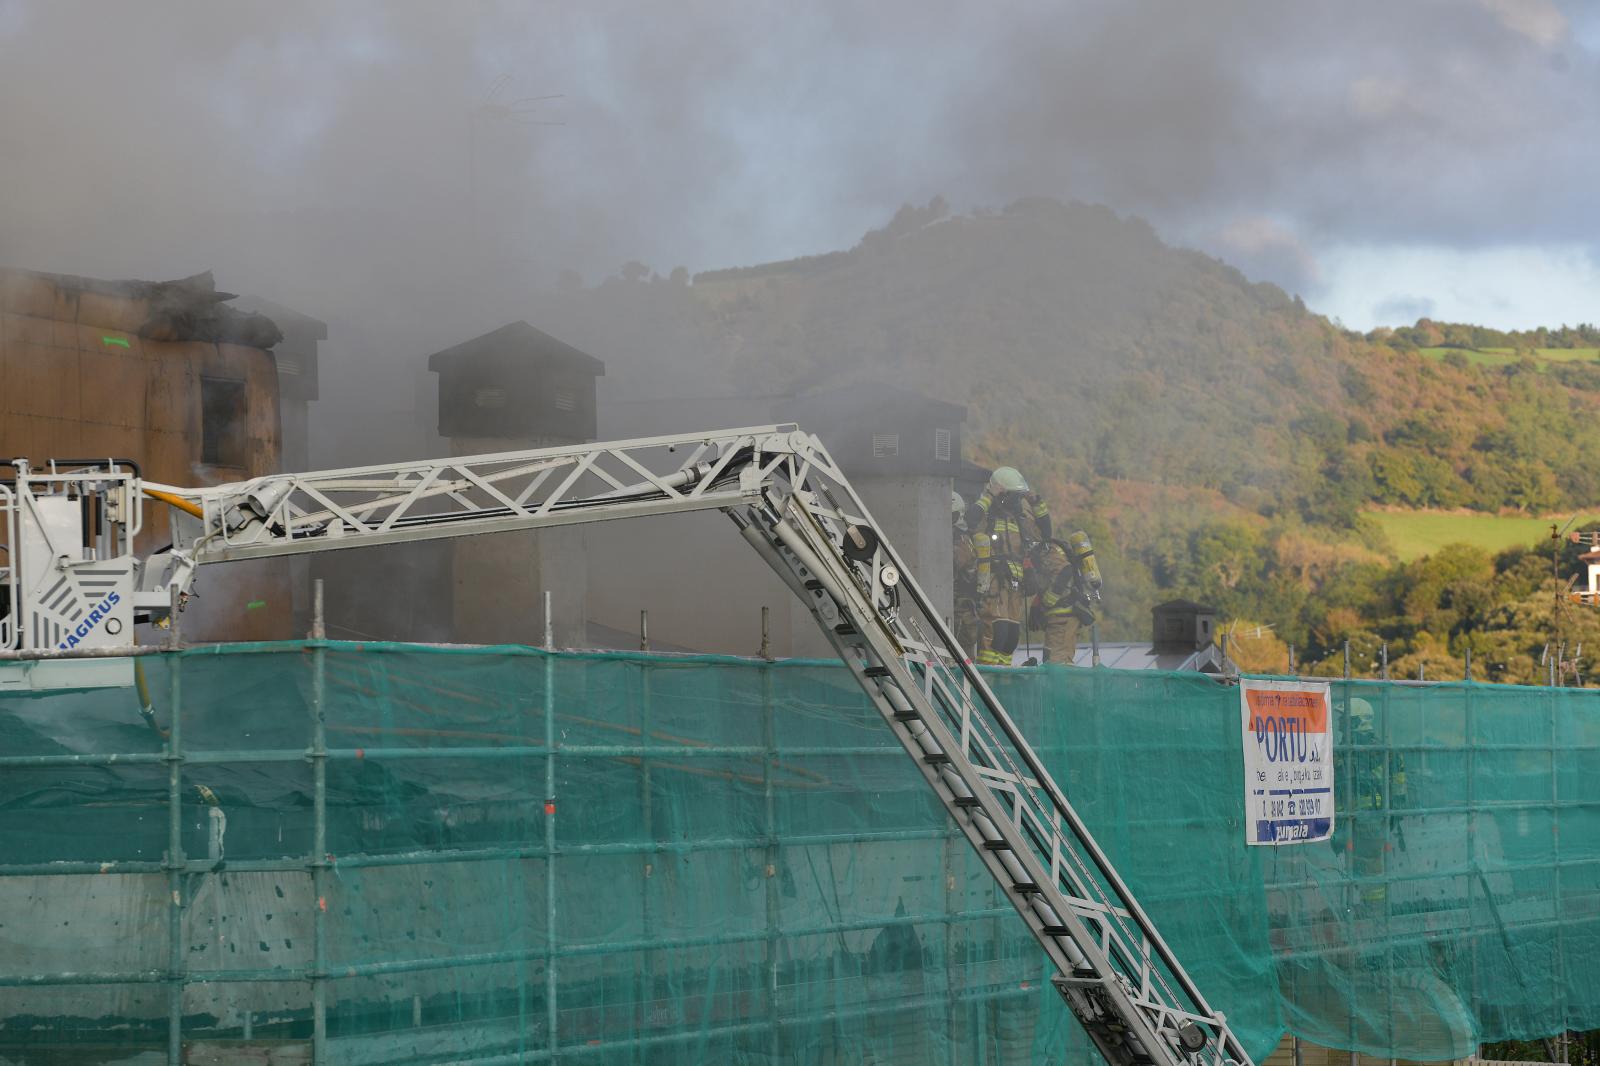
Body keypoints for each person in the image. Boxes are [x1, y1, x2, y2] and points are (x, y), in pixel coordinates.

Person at [969, 467, 1047, 666]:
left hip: (1016, 583)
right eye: (1014, 496)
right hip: (995, 580)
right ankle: (987, 675)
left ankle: (1002, 675)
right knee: (996, 631)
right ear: (1002, 494)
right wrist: (989, 496)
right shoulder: (987, 514)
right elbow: (970, 520)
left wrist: (1036, 502)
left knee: (1011, 636)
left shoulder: (1020, 518)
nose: (1016, 501)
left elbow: (1045, 533)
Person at [951, 492, 980, 658]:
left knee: (963, 657)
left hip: (961, 608)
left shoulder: (962, 539)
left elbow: (952, 563)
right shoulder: (955, 536)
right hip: (953, 606)